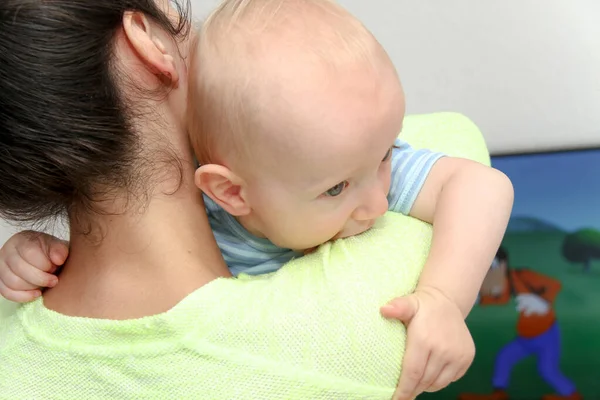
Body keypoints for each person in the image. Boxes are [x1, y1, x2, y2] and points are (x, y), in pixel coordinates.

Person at [0, 0, 511, 399]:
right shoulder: (344, 337)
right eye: (334, 188)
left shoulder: (15, 353)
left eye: (383, 157)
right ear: (145, 38)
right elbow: (457, 136)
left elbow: (462, 177)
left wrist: (443, 298)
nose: (377, 204)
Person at [459, 247, 581, 400]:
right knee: (504, 358)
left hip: (547, 335)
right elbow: (498, 297)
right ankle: (499, 394)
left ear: (501, 265)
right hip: (525, 338)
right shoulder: (505, 286)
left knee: (547, 370)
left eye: (490, 268)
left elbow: (554, 284)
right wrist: (476, 299)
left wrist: (543, 302)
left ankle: (572, 396)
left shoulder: (523, 276)